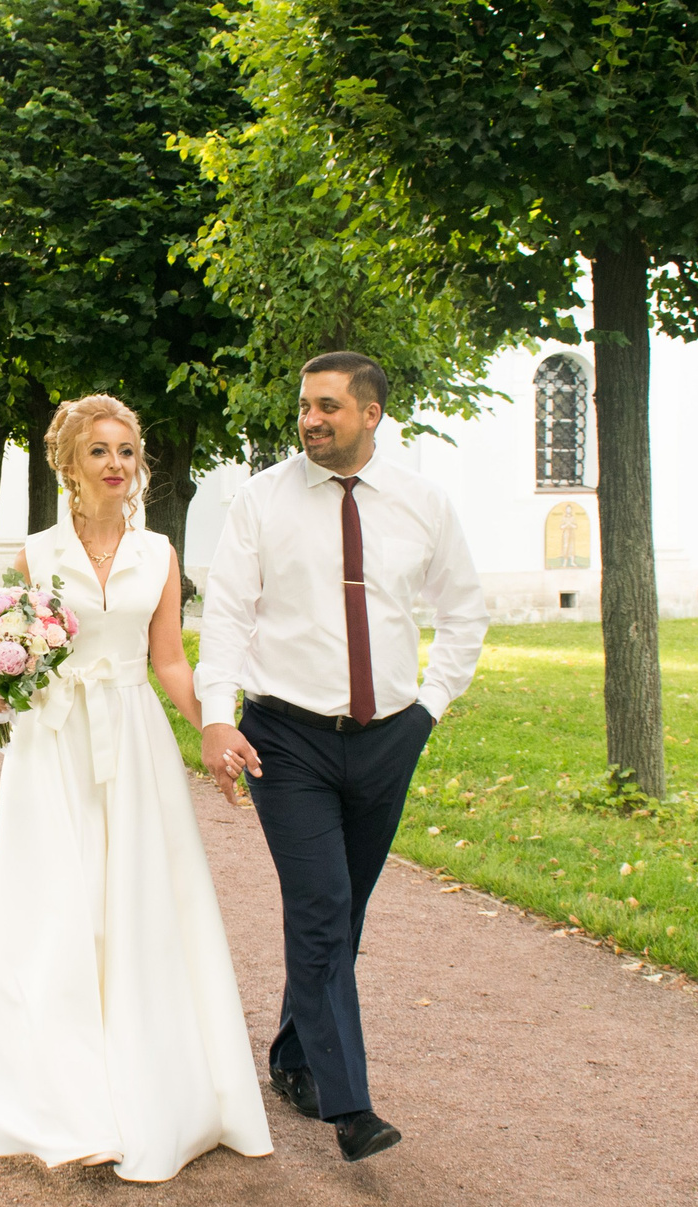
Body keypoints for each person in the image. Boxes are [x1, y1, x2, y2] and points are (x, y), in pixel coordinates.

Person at [197, 352, 488, 1162]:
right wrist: (218, 720)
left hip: (389, 733)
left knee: (344, 915)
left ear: (371, 414)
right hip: (284, 739)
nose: (310, 419)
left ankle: (293, 1057)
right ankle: (348, 1106)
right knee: (322, 906)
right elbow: (225, 618)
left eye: (327, 406)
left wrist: (428, 708)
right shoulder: (259, 501)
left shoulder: (423, 503)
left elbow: (464, 611)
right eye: (303, 406)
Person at [0, 394, 272, 1184]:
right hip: (56, 742)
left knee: (140, 908)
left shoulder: (160, 553)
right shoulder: (37, 555)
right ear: (71, 463)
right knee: (59, 911)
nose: (116, 464)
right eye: (100, 451)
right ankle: (67, 1108)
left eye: (128, 451)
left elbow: (170, 658)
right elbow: (12, 645)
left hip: (134, 741)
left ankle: (151, 1093)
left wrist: (212, 728)